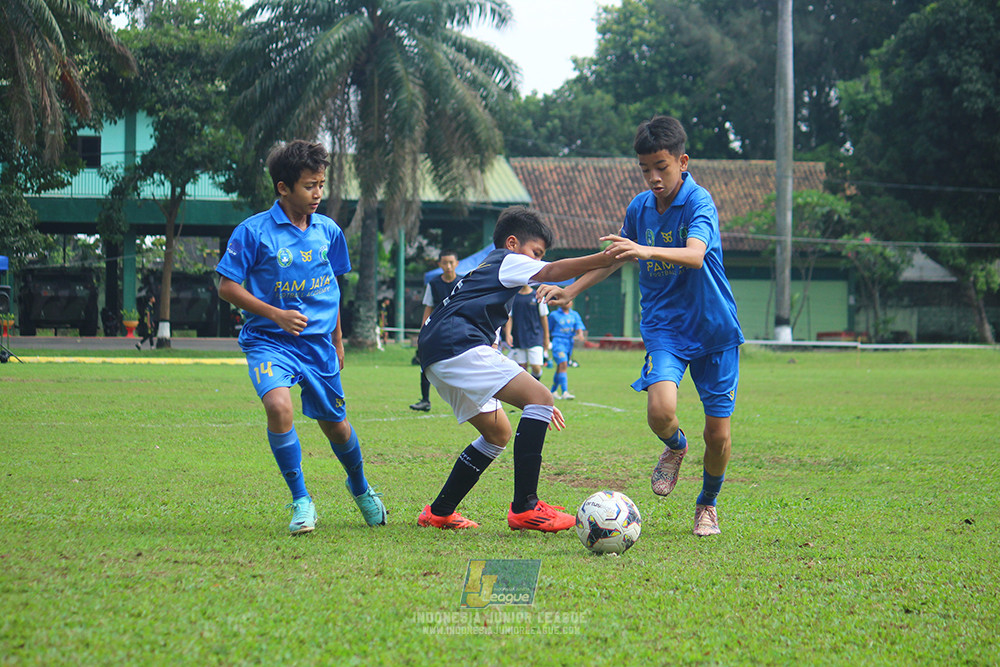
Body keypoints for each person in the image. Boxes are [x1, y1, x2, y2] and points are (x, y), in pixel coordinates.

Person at [552, 116, 744, 537]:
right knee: (660, 412)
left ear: (683, 161)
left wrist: (643, 248)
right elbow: (616, 256)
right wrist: (571, 291)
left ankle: (707, 503)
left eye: (662, 167)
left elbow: (694, 255)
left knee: (719, 436)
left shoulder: (699, 202)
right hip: (666, 327)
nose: (654, 178)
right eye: (645, 170)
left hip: (714, 329)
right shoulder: (639, 208)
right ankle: (676, 447)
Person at [216, 139, 386, 535]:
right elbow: (227, 286)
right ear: (283, 188)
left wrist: (338, 341)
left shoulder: (328, 231)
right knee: (279, 408)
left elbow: (333, 289)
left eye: (321, 184)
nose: (318, 194)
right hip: (268, 340)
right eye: (310, 185)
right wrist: (274, 313)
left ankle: (359, 486)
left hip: (318, 347)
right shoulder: (252, 232)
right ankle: (301, 500)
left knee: (336, 426)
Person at [416, 205, 622, 531]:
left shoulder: (487, 274)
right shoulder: (506, 260)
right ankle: (526, 507)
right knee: (541, 398)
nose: (537, 262)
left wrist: (530, 397)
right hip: (456, 345)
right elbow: (554, 271)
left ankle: (439, 512)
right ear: (512, 243)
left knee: (497, 433)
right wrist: (607, 256)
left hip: (437, 352)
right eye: (535, 253)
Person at [409, 250, 460, 412]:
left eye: (451, 262)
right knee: (426, 363)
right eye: (445, 263)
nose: (448, 266)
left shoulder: (463, 283)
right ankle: (425, 400)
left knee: (461, 365)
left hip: (458, 330)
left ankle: (465, 400)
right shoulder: (434, 284)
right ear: (440, 265)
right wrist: (423, 331)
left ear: (457, 263)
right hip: (437, 330)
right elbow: (428, 307)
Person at [503, 285, 550, 381]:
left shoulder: (537, 296)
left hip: (535, 336)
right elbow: (509, 317)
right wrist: (508, 334)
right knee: (522, 368)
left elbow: (543, 317)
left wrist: (546, 337)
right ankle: (527, 392)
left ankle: (535, 384)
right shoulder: (513, 297)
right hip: (519, 336)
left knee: (536, 367)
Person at [547, 300, 586, 399]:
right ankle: (565, 392)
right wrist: (546, 340)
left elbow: (579, 326)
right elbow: (547, 329)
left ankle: (553, 391)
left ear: (572, 303)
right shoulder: (554, 315)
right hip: (558, 342)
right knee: (563, 364)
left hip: (569, 343)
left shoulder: (574, 315)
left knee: (561, 366)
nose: (566, 303)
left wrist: (580, 334)